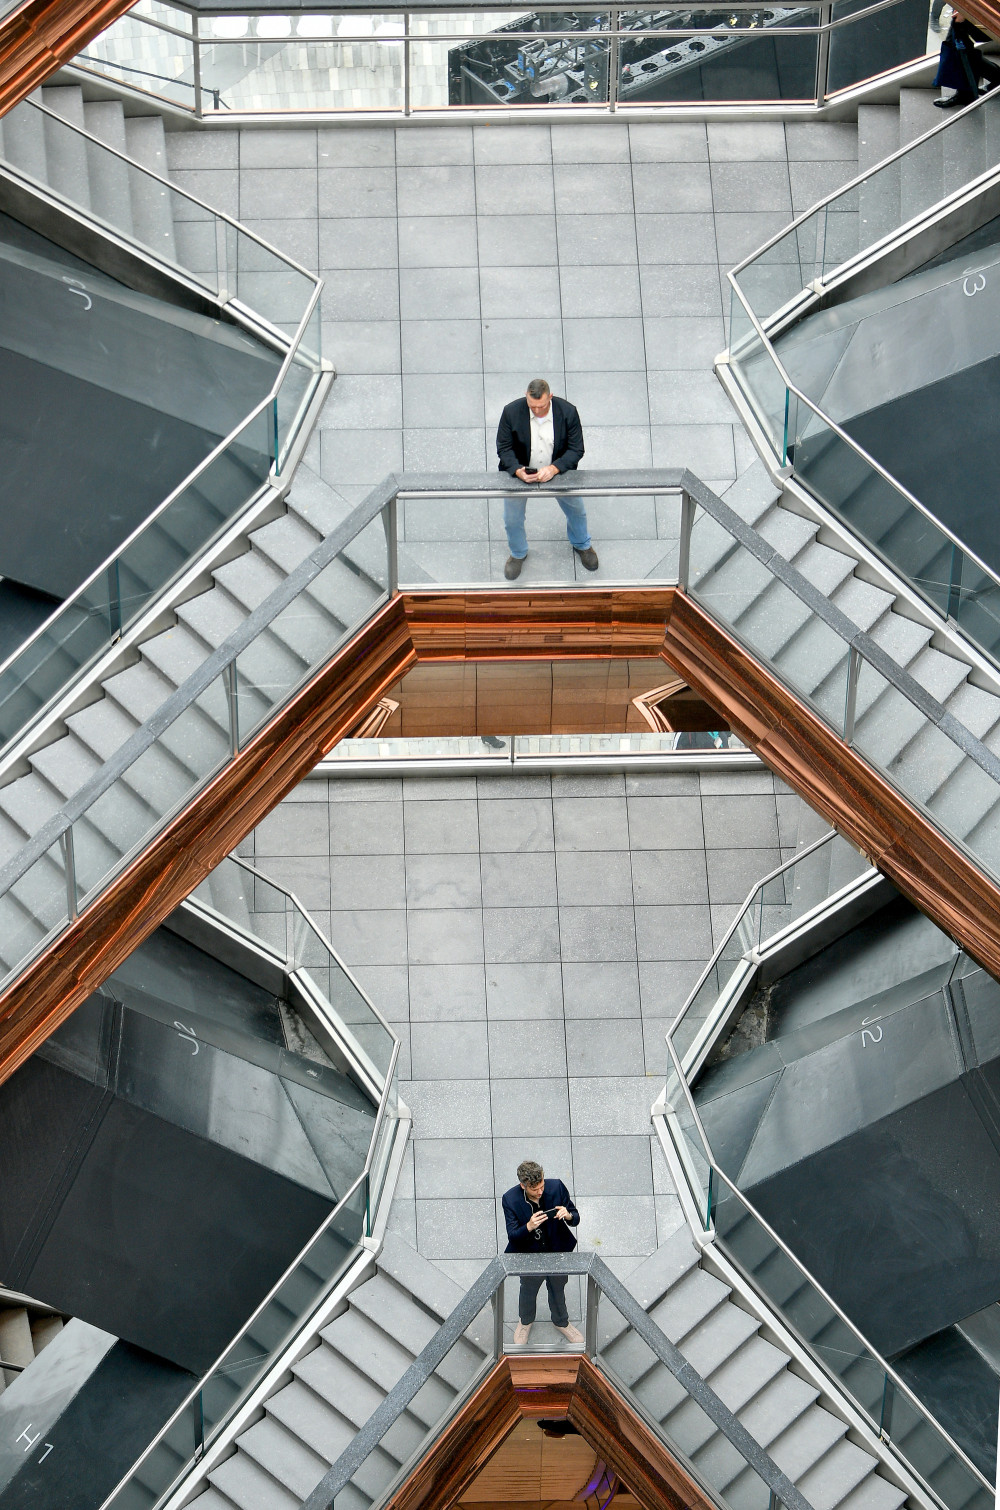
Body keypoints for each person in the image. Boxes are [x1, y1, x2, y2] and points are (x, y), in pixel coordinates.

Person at [496, 379, 599, 581]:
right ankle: (518, 553)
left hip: (558, 472)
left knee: (577, 510)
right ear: (526, 397)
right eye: (531, 406)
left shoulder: (568, 412)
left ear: (550, 397)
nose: (536, 411)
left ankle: (582, 544)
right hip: (521, 474)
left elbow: (577, 449)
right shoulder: (511, 411)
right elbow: (504, 448)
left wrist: (554, 468)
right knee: (512, 519)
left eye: (541, 406)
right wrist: (517, 471)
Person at [501, 1158, 584, 1345]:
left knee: (558, 1288)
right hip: (530, 1255)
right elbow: (513, 1236)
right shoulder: (510, 1199)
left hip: (557, 1251)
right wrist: (529, 1226)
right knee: (528, 1291)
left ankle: (561, 1322)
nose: (540, 1192)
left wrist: (568, 1215)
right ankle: (525, 1322)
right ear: (523, 1186)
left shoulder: (556, 1187)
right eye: (534, 1189)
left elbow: (575, 1217)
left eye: (542, 1186)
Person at [934, 9, 1000, 106]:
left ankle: (966, 94)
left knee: (958, 47)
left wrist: (965, 12)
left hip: (977, 10)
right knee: (958, 46)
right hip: (970, 9)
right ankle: (995, 77)